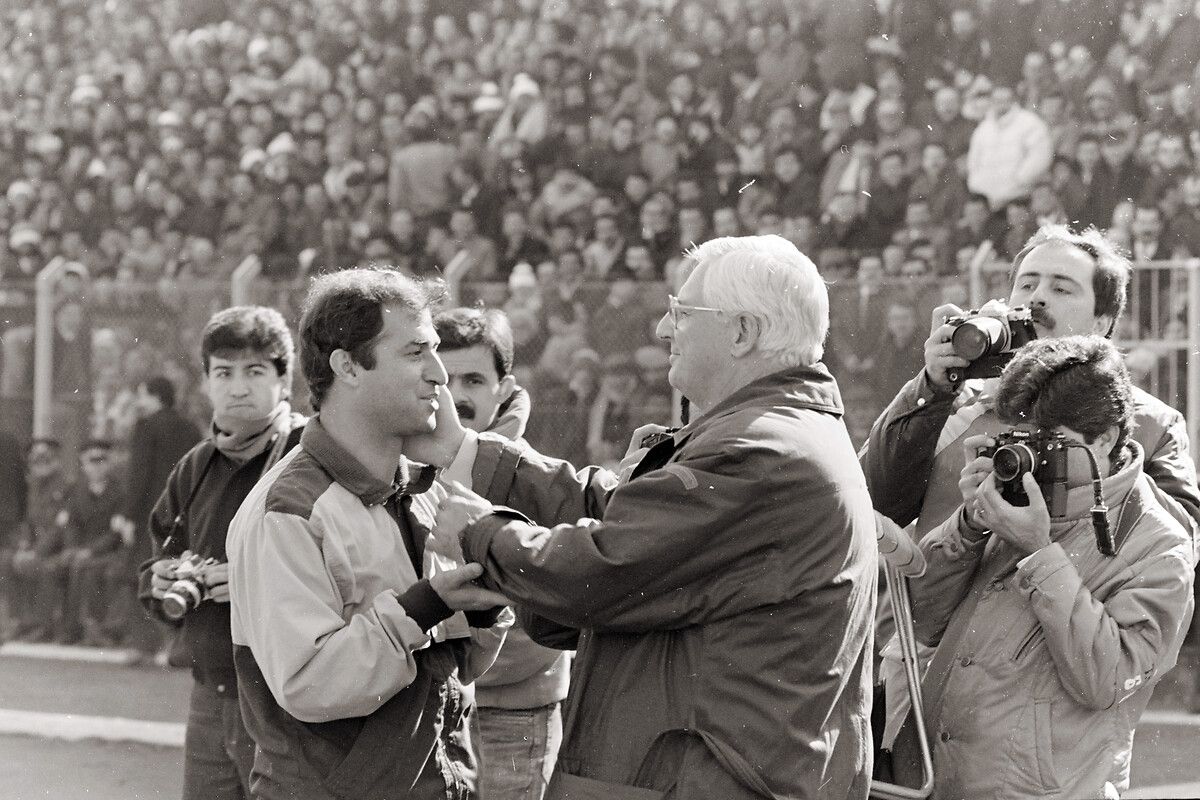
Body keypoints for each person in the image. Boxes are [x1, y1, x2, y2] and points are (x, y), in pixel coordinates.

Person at [431, 235, 878, 798]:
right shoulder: (767, 435)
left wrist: (480, 535)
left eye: (682, 314)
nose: (664, 330)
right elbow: (625, 516)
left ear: (742, 332)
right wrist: (468, 451)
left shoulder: (760, 454)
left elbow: (608, 567)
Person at [861, 223, 1200, 779]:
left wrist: (1081, 460)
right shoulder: (959, 400)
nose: (1038, 297)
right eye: (1027, 283)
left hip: (1047, 695)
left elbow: (1175, 550)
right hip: (926, 675)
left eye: (1063, 288)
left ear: (1102, 323)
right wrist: (932, 384)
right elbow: (872, 498)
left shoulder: (1147, 422)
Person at [226, 269, 511, 800]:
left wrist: (486, 608)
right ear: (348, 366)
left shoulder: (428, 490)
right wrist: (423, 607)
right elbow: (310, 683)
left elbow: (462, 666)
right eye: (416, 353)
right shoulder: (287, 510)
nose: (440, 376)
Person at [909, 335, 1195, 799]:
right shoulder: (1010, 495)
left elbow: (1106, 679)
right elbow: (919, 620)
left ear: (1105, 439)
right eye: (1017, 438)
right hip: (940, 779)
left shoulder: (1159, 544)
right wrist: (968, 525)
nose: (1028, 458)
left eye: (1049, 444)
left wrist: (1040, 554)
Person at [138, 307, 306, 800]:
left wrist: (252, 582)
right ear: (207, 382)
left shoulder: (309, 456)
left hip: (282, 701)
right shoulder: (197, 463)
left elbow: (344, 569)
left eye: (255, 372)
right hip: (208, 695)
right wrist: (161, 578)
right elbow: (156, 553)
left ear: (283, 380)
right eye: (223, 372)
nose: (237, 388)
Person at [434, 306, 569, 800]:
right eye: (444, 378)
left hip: (514, 708)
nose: (456, 395)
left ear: (505, 388)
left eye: (472, 379)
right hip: (432, 702)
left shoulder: (539, 479)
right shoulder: (399, 463)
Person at [124, 375, 202, 659]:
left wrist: (128, 515)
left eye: (142, 394)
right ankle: (175, 644)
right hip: (185, 512)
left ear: (155, 396)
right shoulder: (190, 428)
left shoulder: (146, 427)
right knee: (180, 573)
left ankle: (146, 645)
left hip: (150, 513)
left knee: (145, 575)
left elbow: (139, 476)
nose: (139, 401)